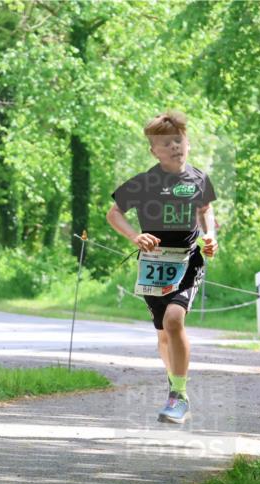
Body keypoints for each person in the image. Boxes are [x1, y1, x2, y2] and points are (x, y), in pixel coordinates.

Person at [106, 110, 218, 424]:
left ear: (188, 143)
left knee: (174, 320)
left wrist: (210, 235)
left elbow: (206, 210)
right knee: (163, 335)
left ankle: (179, 396)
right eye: (165, 143)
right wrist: (134, 235)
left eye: (179, 140)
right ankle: (174, 386)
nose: (174, 147)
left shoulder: (199, 179)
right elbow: (114, 213)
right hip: (153, 265)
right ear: (154, 150)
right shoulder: (144, 183)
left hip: (187, 261)